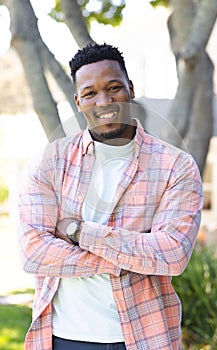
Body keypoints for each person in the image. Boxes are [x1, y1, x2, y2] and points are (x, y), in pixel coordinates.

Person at [18, 43, 203, 350]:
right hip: (64, 338)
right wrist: (132, 255)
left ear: (130, 88)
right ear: (78, 101)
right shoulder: (48, 162)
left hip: (145, 338)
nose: (104, 101)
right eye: (90, 93)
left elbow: (171, 254)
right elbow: (34, 252)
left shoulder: (175, 166)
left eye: (114, 88)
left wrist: (78, 232)